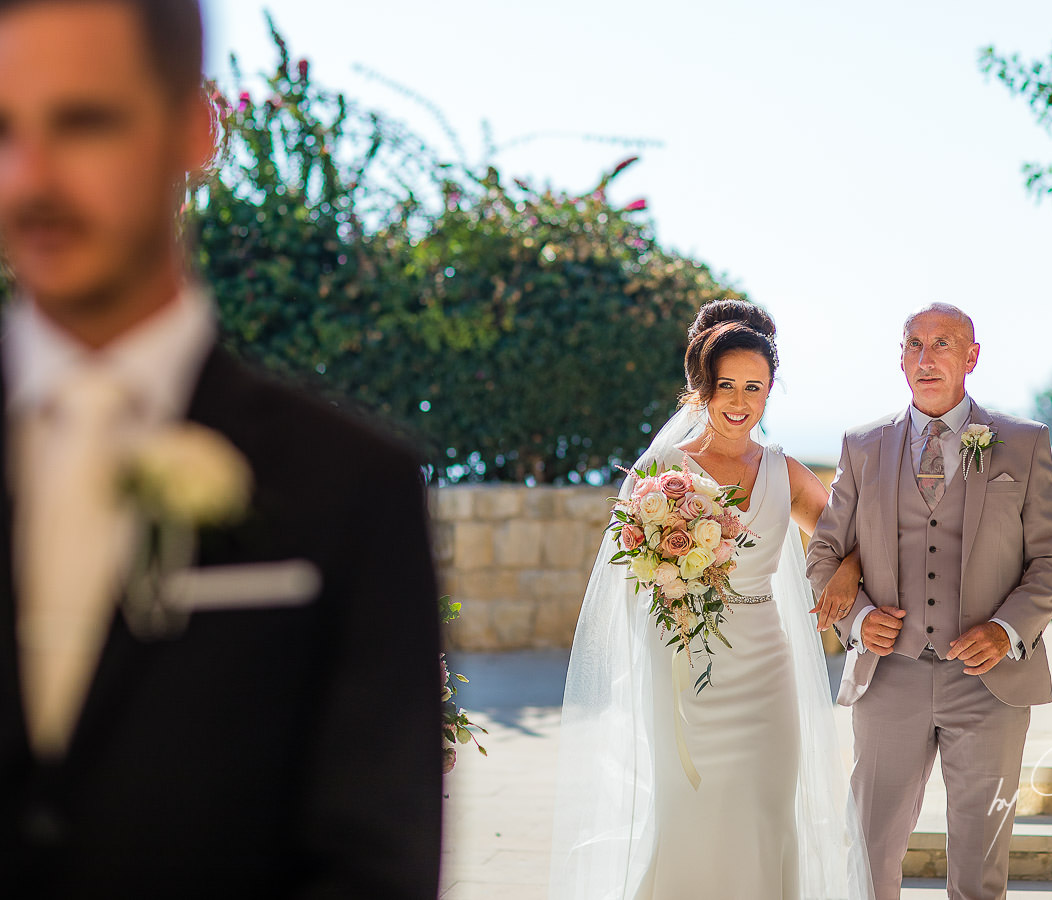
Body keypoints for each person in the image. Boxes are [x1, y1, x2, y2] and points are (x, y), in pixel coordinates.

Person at [0, 0, 442, 895]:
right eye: (2, 128)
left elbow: (374, 868)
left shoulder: (355, 489)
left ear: (194, 131)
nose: (32, 177)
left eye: (85, 121)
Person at [549, 299, 873, 900]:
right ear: (702, 387)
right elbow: (629, 576)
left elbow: (850, 538)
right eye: (727, 385)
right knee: (690, 814)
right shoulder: (662, 471)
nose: (741, 402)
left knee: (763, 808)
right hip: (684, 667)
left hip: (766, 668)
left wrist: (848, 570)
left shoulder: (783, 471)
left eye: (756, 387)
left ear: (771, 391)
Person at [806, 303, 1052, 900]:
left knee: (980, 867)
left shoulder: (1022, 444)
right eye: (914, 345)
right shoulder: (862, 446)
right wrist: (855, 619)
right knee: (869, 856)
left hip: (990, 683)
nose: (926, 359)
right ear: (900, 358)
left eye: (943, 344)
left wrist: (1007, 630)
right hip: (888, 676)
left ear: (972, 357)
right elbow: (823, 554)